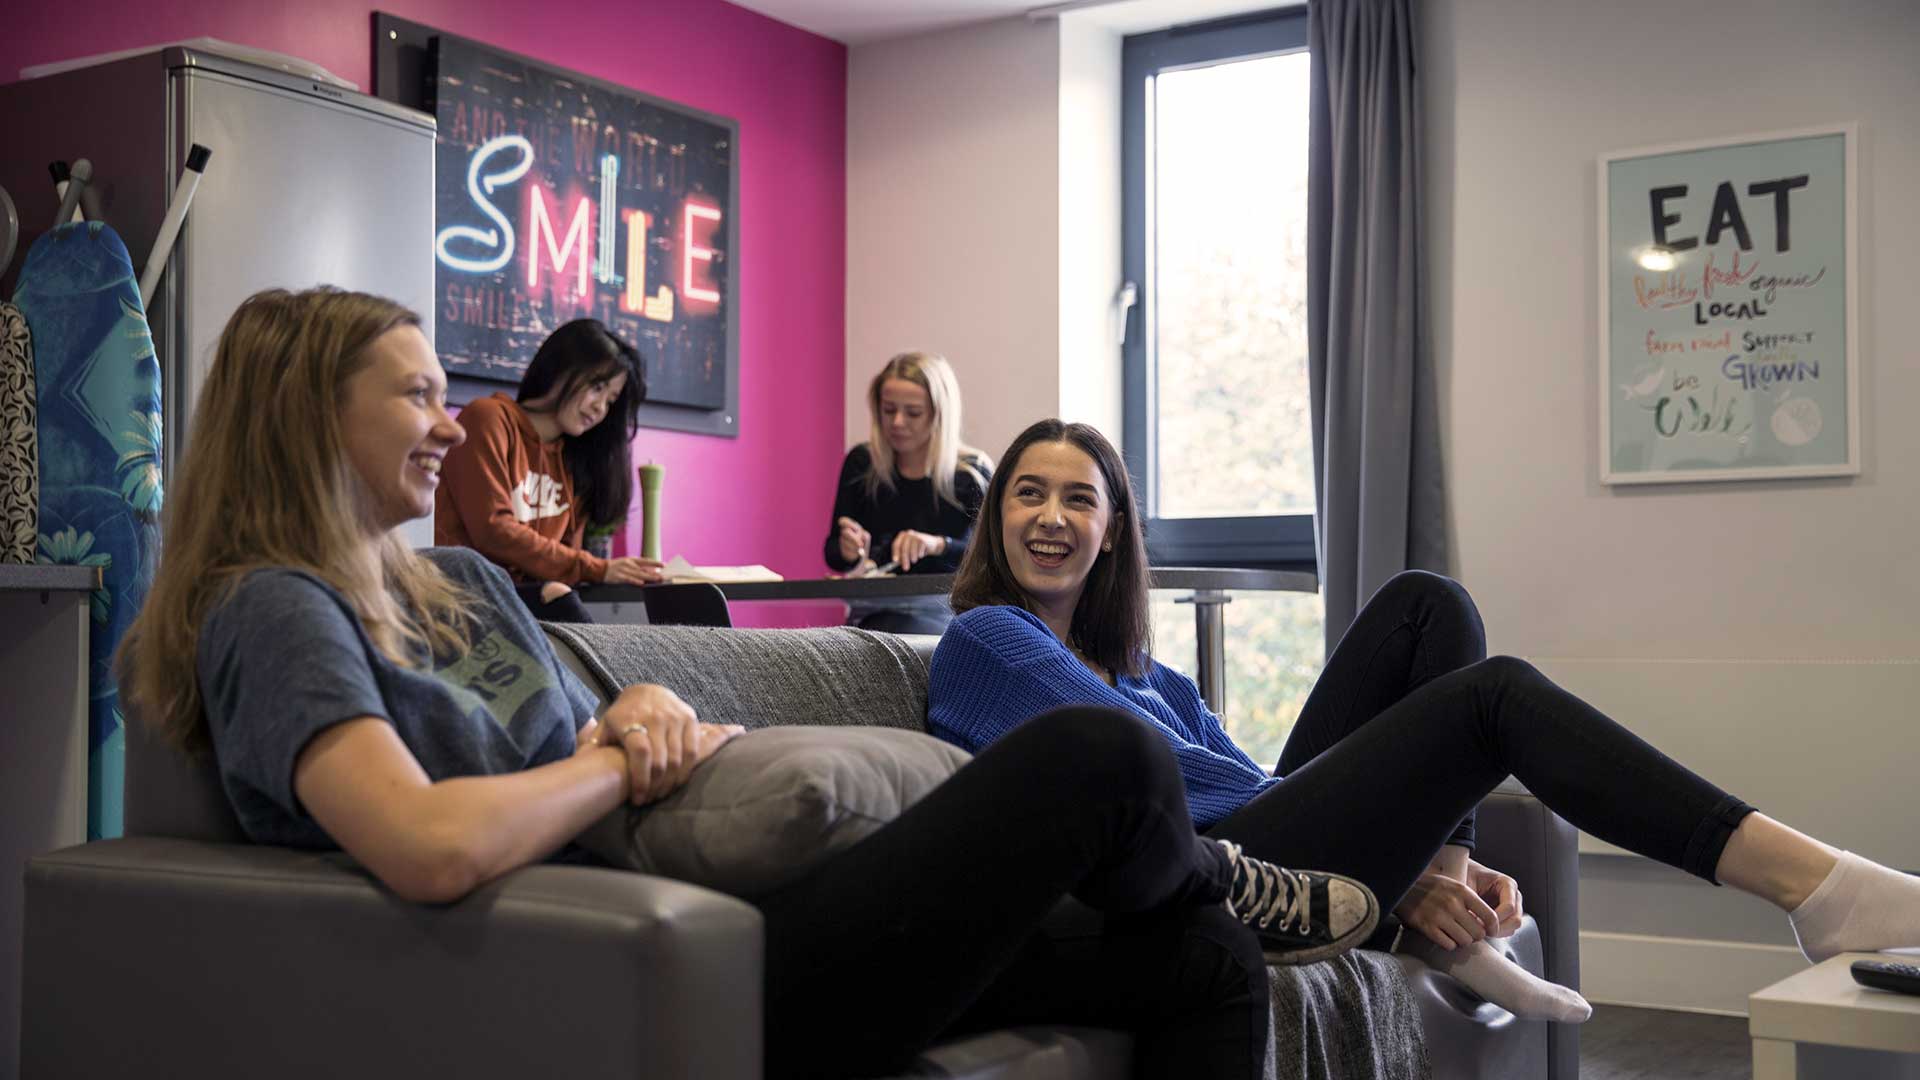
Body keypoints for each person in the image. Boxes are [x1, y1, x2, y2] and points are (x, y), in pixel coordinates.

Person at [121, 287, 1395, 1080]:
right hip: (661, 944)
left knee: (1203, 960)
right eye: (418, 396)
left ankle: (1215, 884)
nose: (457, 427)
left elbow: (575, 723)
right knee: (1099, 760)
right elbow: (427, 843)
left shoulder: (455, 579)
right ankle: (1219, 858)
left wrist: (627, 710)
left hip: (726, 892)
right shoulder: (275, 610)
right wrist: (615, 761)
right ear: (306, 415)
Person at [928, 418, 1920, 1024]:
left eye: (1079, 499)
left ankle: (1447, 905)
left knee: (1427, 604)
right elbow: (1167, 786)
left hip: (1256, 848)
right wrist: (1389, 846)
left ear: (1109, 537)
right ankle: (1815, 887)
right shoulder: (989, 639)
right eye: (1028, 493)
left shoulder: (1153, 675)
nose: (1052, 516)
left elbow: (1236, 769)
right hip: (1197, 882)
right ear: (997, 518)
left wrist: (1417, 846)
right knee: (1493, 696)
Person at [435, 319, 663, 623]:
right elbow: (493, 531)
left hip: (527, 602)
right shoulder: (488, 419)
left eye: (610, 400)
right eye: (597, 387)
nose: (600, 408)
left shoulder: (574, 462)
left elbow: (563, 558)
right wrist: (598, 568)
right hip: (463, 597)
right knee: (560, 600)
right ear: (561, 367)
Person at [824, 351, 992, 635]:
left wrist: (937, 544)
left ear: (940, 414)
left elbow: (988, 561)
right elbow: (834, 556)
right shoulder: (862, 465)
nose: (898, 422)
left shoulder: (971, 474)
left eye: (913, 413)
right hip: (873, 616)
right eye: (888, 410)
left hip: (948, 617)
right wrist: (847, 548)